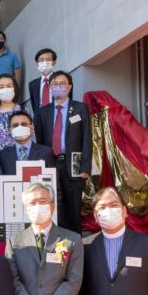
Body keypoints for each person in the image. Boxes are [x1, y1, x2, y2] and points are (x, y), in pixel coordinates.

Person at [34, 71, 91, 234]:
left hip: (73, 165)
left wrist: (85, 167)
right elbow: (38, 139)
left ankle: (76, 245)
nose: (58, 87)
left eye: (62, 83)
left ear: (69, 87)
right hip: (50, 163)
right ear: (50, 88)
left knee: (74, 208)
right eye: (54, 84)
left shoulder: (80, 108)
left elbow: (87, 138)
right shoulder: (42, 112)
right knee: (54, 205)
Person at [0, 74, 25, 153]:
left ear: (14, 89)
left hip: (20, 157)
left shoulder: (23, 110)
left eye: (9, 86)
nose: (5, 89)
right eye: (1, 87)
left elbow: (31, 136)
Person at [28, 47, 58, 113]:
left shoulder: (61, 80)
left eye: (48, 59)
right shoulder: (33, 84)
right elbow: (34, 106)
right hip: (41, 119)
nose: (44, 62)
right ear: (37, 63)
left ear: (54, 62)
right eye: (41, 60)